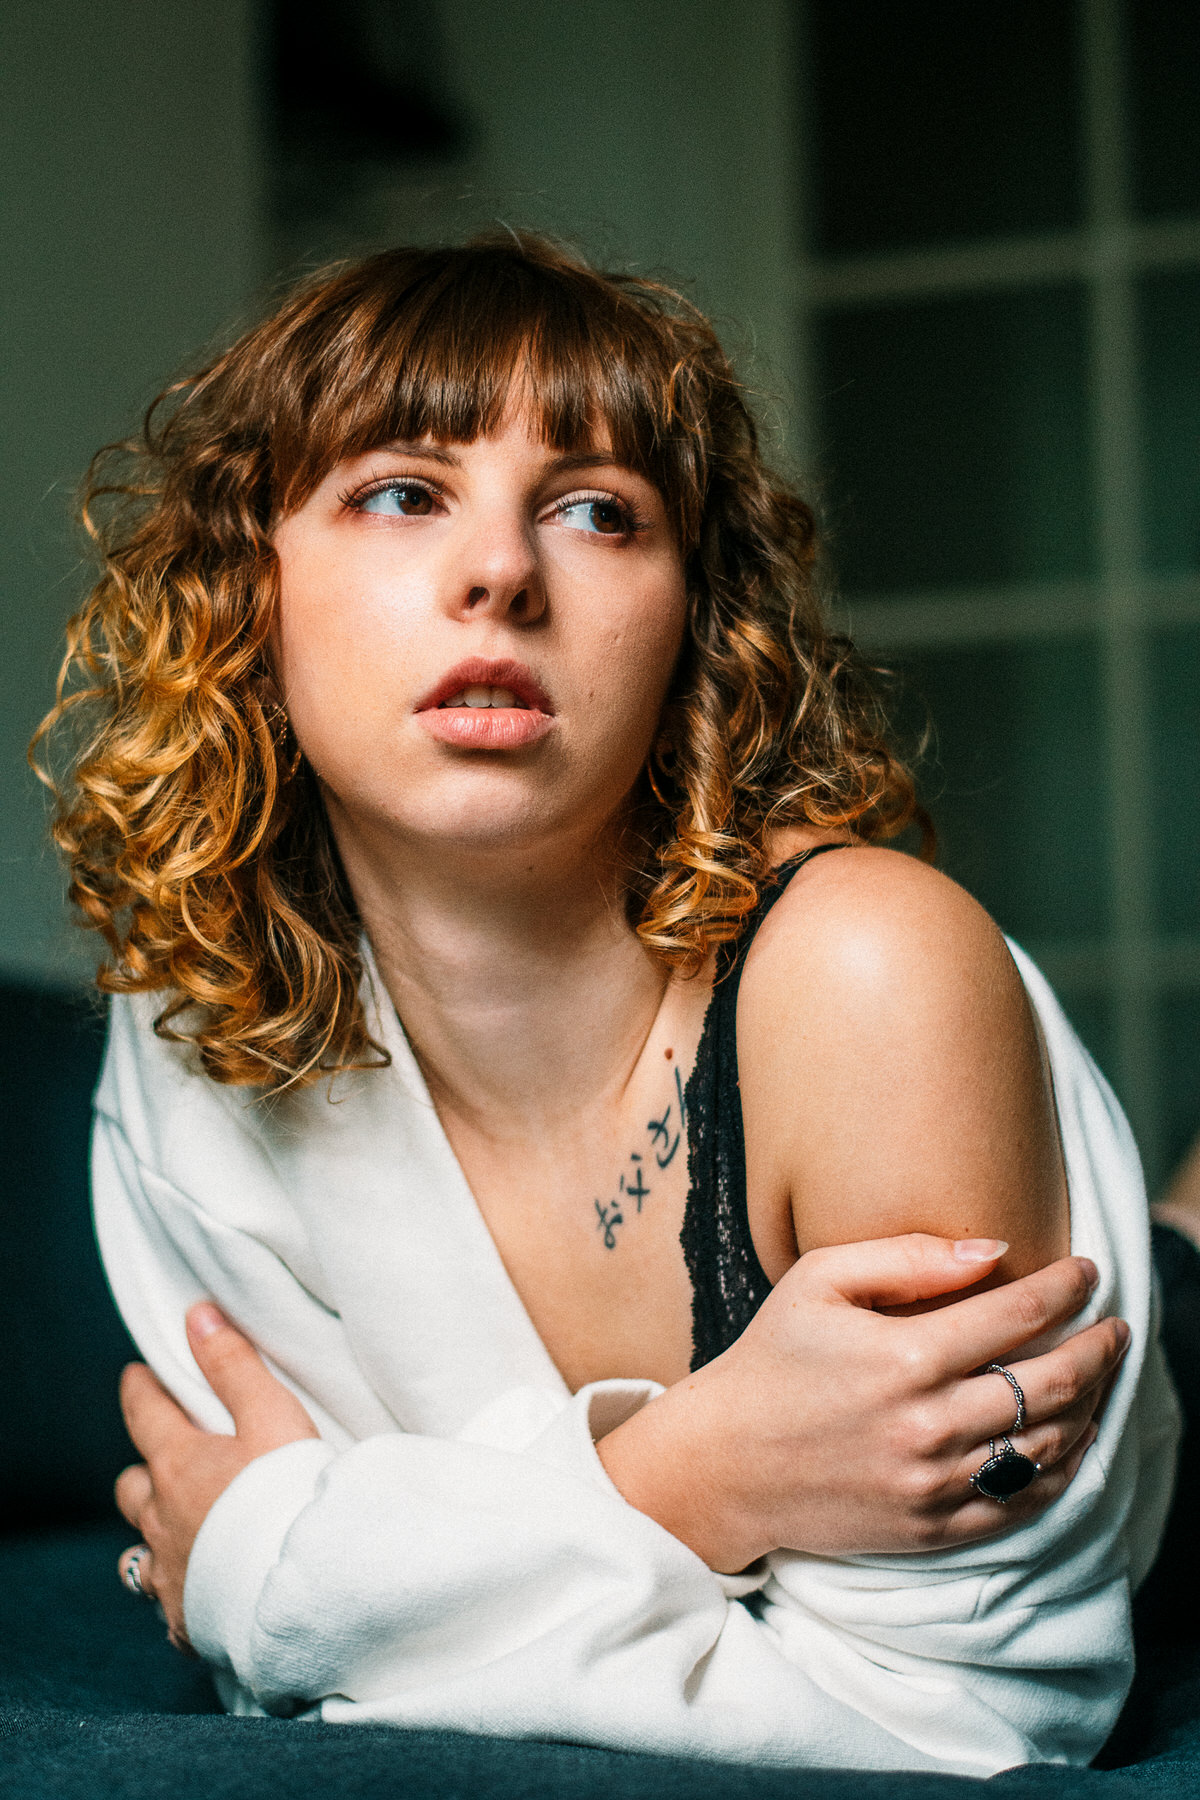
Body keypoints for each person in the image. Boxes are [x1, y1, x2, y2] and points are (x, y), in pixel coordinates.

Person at [35, 233, 1176, 1776]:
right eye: (402, 492)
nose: (502, 572)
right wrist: (704, 1472)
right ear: (252, 591)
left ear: (691, 618)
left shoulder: (868, 972)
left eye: (594, 510)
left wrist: (277, 1574)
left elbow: (961, 1719)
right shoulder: (197, 1017)